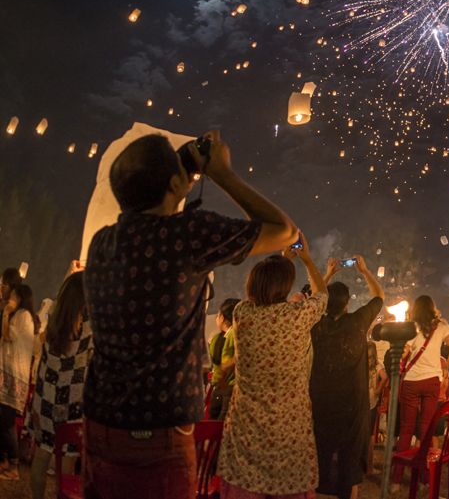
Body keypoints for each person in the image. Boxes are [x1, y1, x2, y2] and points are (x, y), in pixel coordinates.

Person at [81, 131, 299, 499]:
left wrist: (182, 174)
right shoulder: (187, 234)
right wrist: (222, 173)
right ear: (174, 183)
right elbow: (284, 231)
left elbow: (153, 204)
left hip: (101, 428)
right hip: (159, 438)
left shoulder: (103, 242)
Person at [217, 240, 327, 498]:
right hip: (289, 435)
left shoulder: (241, 313)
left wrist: (282, 259)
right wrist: (306, 260)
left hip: (247, 434)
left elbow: (265, 294)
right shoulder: (298, 315)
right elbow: (323, 293)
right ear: (286, 287)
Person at [311, 256, 385, 499]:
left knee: (318, 455)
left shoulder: (316, 325)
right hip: (352, 405)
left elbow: (314, 298)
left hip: (320, 402)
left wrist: (329, 273)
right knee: (349, 460)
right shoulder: (357, 322)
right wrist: (365, 271)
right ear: (347, 304)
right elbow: (379, 298)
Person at [29, 269, 92, 498]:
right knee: (66, 469)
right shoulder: (88, 324)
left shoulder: (55, 315)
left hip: (45, 398)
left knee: (42, 455)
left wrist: (68, 274)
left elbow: (59, 297)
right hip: (73, 404)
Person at [391, 295, 449, 488]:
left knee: (406, 430)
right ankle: (423, 478)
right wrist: (447, 367)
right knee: (426, 430)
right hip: (432, 382)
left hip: (412, 380)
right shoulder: (441, 327)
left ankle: (396, 480)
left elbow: (404, 352)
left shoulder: (411, 327)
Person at [0, 283, 36, 480]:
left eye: (13, 296)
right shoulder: (25, 316)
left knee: (6, 423)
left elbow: (7, 336)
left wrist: (6, 312)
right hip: (11, 376)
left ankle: (13, 468)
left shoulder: (22, 315)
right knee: (4, 421)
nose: (10, 299)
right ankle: (6, 462)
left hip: (13, 378)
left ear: (20, 298)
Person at [208, 298, 240, 421]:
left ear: (222, 318)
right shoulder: (231, 334)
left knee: (215, 424)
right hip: (228, 389)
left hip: (221, 388)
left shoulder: (222, 337)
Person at [366, 341, 387, 478]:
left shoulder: (361, 365)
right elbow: (385, 377)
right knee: (369, 437)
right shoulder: (377, 365)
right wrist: (378, 390)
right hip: (372, 401)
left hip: (360, 400)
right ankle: (369, 467)